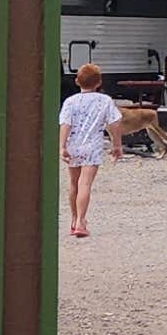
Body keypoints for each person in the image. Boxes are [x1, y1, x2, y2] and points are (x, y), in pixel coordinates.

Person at [59, 63, 121, 238]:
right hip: (92, 146)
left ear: (77, 81)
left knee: (73, 183)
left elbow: (65, 124)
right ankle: (81, 221)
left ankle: (73, 219)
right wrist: (117, 144)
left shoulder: (70, 102)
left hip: (73, 145)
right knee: (84, 184)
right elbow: (114, 123)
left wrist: (62, 146)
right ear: (99, 82)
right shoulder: (105, 101)